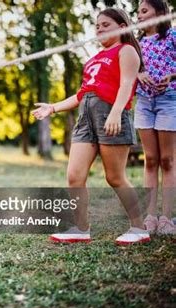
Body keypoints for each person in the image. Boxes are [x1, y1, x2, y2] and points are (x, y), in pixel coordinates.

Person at [32, 8, 149, 245]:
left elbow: (127, 84)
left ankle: (139, 227)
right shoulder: (93, 59)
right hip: (85, 118)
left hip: (111, 115)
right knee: (74, 176)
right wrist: (52, 107)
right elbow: (82, 94)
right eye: (97, 25)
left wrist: (116, 113)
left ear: (122, 26)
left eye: (106, 24)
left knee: (115, 177)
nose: (99, 29)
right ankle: (80, 228)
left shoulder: (126, 51)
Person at [134, 0, 176, 235]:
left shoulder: (171, 37)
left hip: (169, 101)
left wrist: (171, 75)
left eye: (144, 11)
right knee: (150, 161)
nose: (138, 16)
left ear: (159, 13)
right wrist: (139, 74)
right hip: (144, 104)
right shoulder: (137, 44)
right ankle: (150, 216)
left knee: (167, 161)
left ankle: (167, 218)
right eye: (138, 11)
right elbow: (129, 68)